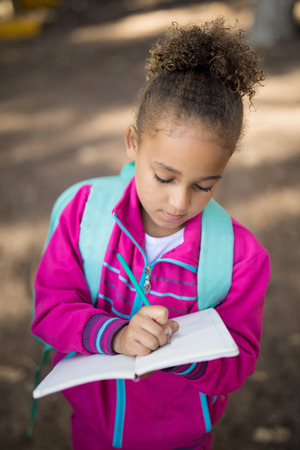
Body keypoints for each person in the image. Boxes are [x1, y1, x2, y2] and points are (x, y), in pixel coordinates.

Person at [32, 18, 271, 450]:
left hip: (184, 438)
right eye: (164, 176)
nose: (179, 203)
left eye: (204, 185)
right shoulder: (83, 214)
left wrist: (183, 355)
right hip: (94, 431)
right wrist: (116, 337)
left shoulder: (241, 257)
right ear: (132, 143)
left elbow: (238, 361)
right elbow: (50, 311)